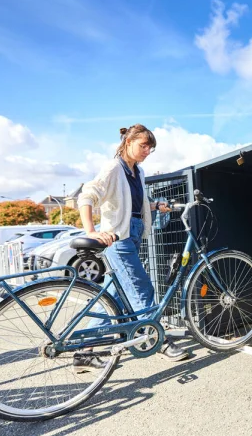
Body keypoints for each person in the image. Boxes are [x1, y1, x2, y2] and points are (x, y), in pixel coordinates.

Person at [75, 124, 189, 371]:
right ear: (128, 143)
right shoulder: (114, 167)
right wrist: (91, 231)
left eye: (151, 147)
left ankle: (83, 352)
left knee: (111, 296)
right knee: (141, 288)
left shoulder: (137, 171)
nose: (147, 151)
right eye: (143, 145)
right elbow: (87, 195)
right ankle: (157, 340)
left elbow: (133, 202)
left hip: (133, 233)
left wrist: (155, 205)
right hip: (119, 238)